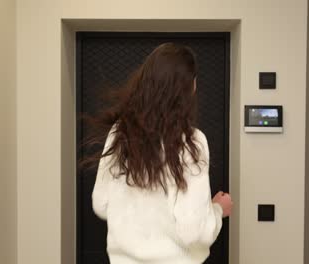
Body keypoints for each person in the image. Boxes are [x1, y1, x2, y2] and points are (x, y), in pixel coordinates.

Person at [85, 43, 233, 264]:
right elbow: (193, 231)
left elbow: (101, 204)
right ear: (187, 88)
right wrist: (218, 210)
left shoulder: (119, 132)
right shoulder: (191, 141)